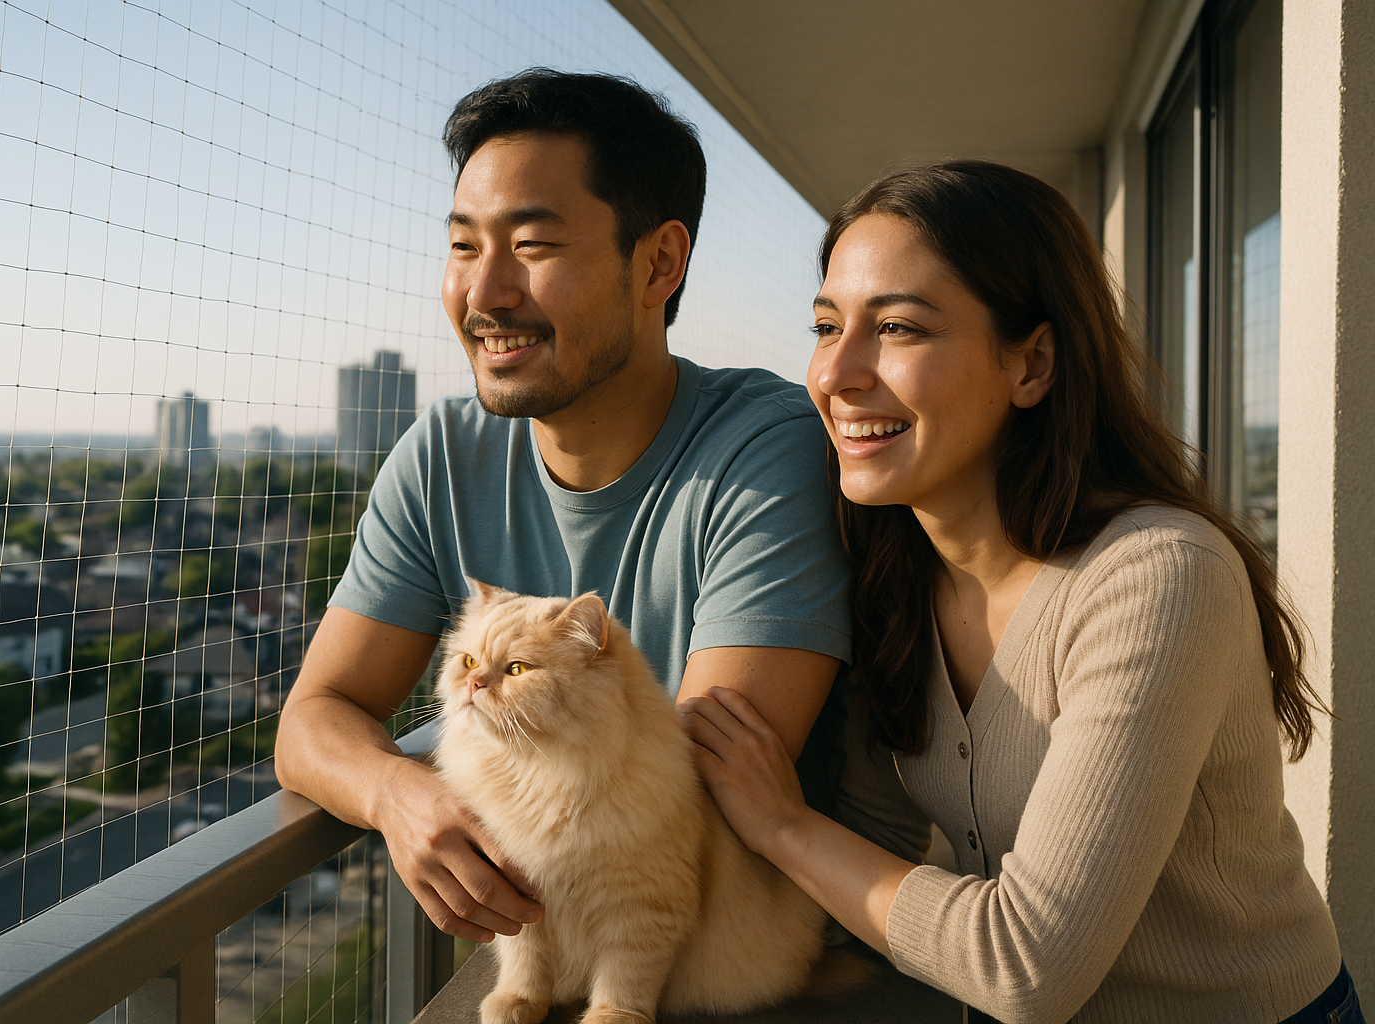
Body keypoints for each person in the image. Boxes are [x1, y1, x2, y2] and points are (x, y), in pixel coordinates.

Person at [680, 161, 1362, 1024]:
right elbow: (881, 838)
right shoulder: (891, 570)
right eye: (825, 326)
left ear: (1033, 362)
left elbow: (1024, 967)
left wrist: (780, 824)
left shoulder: (1157, 576)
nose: (836, 374)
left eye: (898, 328)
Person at [274, 69, 862, 946]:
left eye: (534, 247)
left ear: (659, 262)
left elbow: (695, 806)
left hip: (734, 969)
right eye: (465, 247)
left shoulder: (763, 452)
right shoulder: (442, 453)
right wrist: (400, 793)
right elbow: (313, 720)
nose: (484, 294)